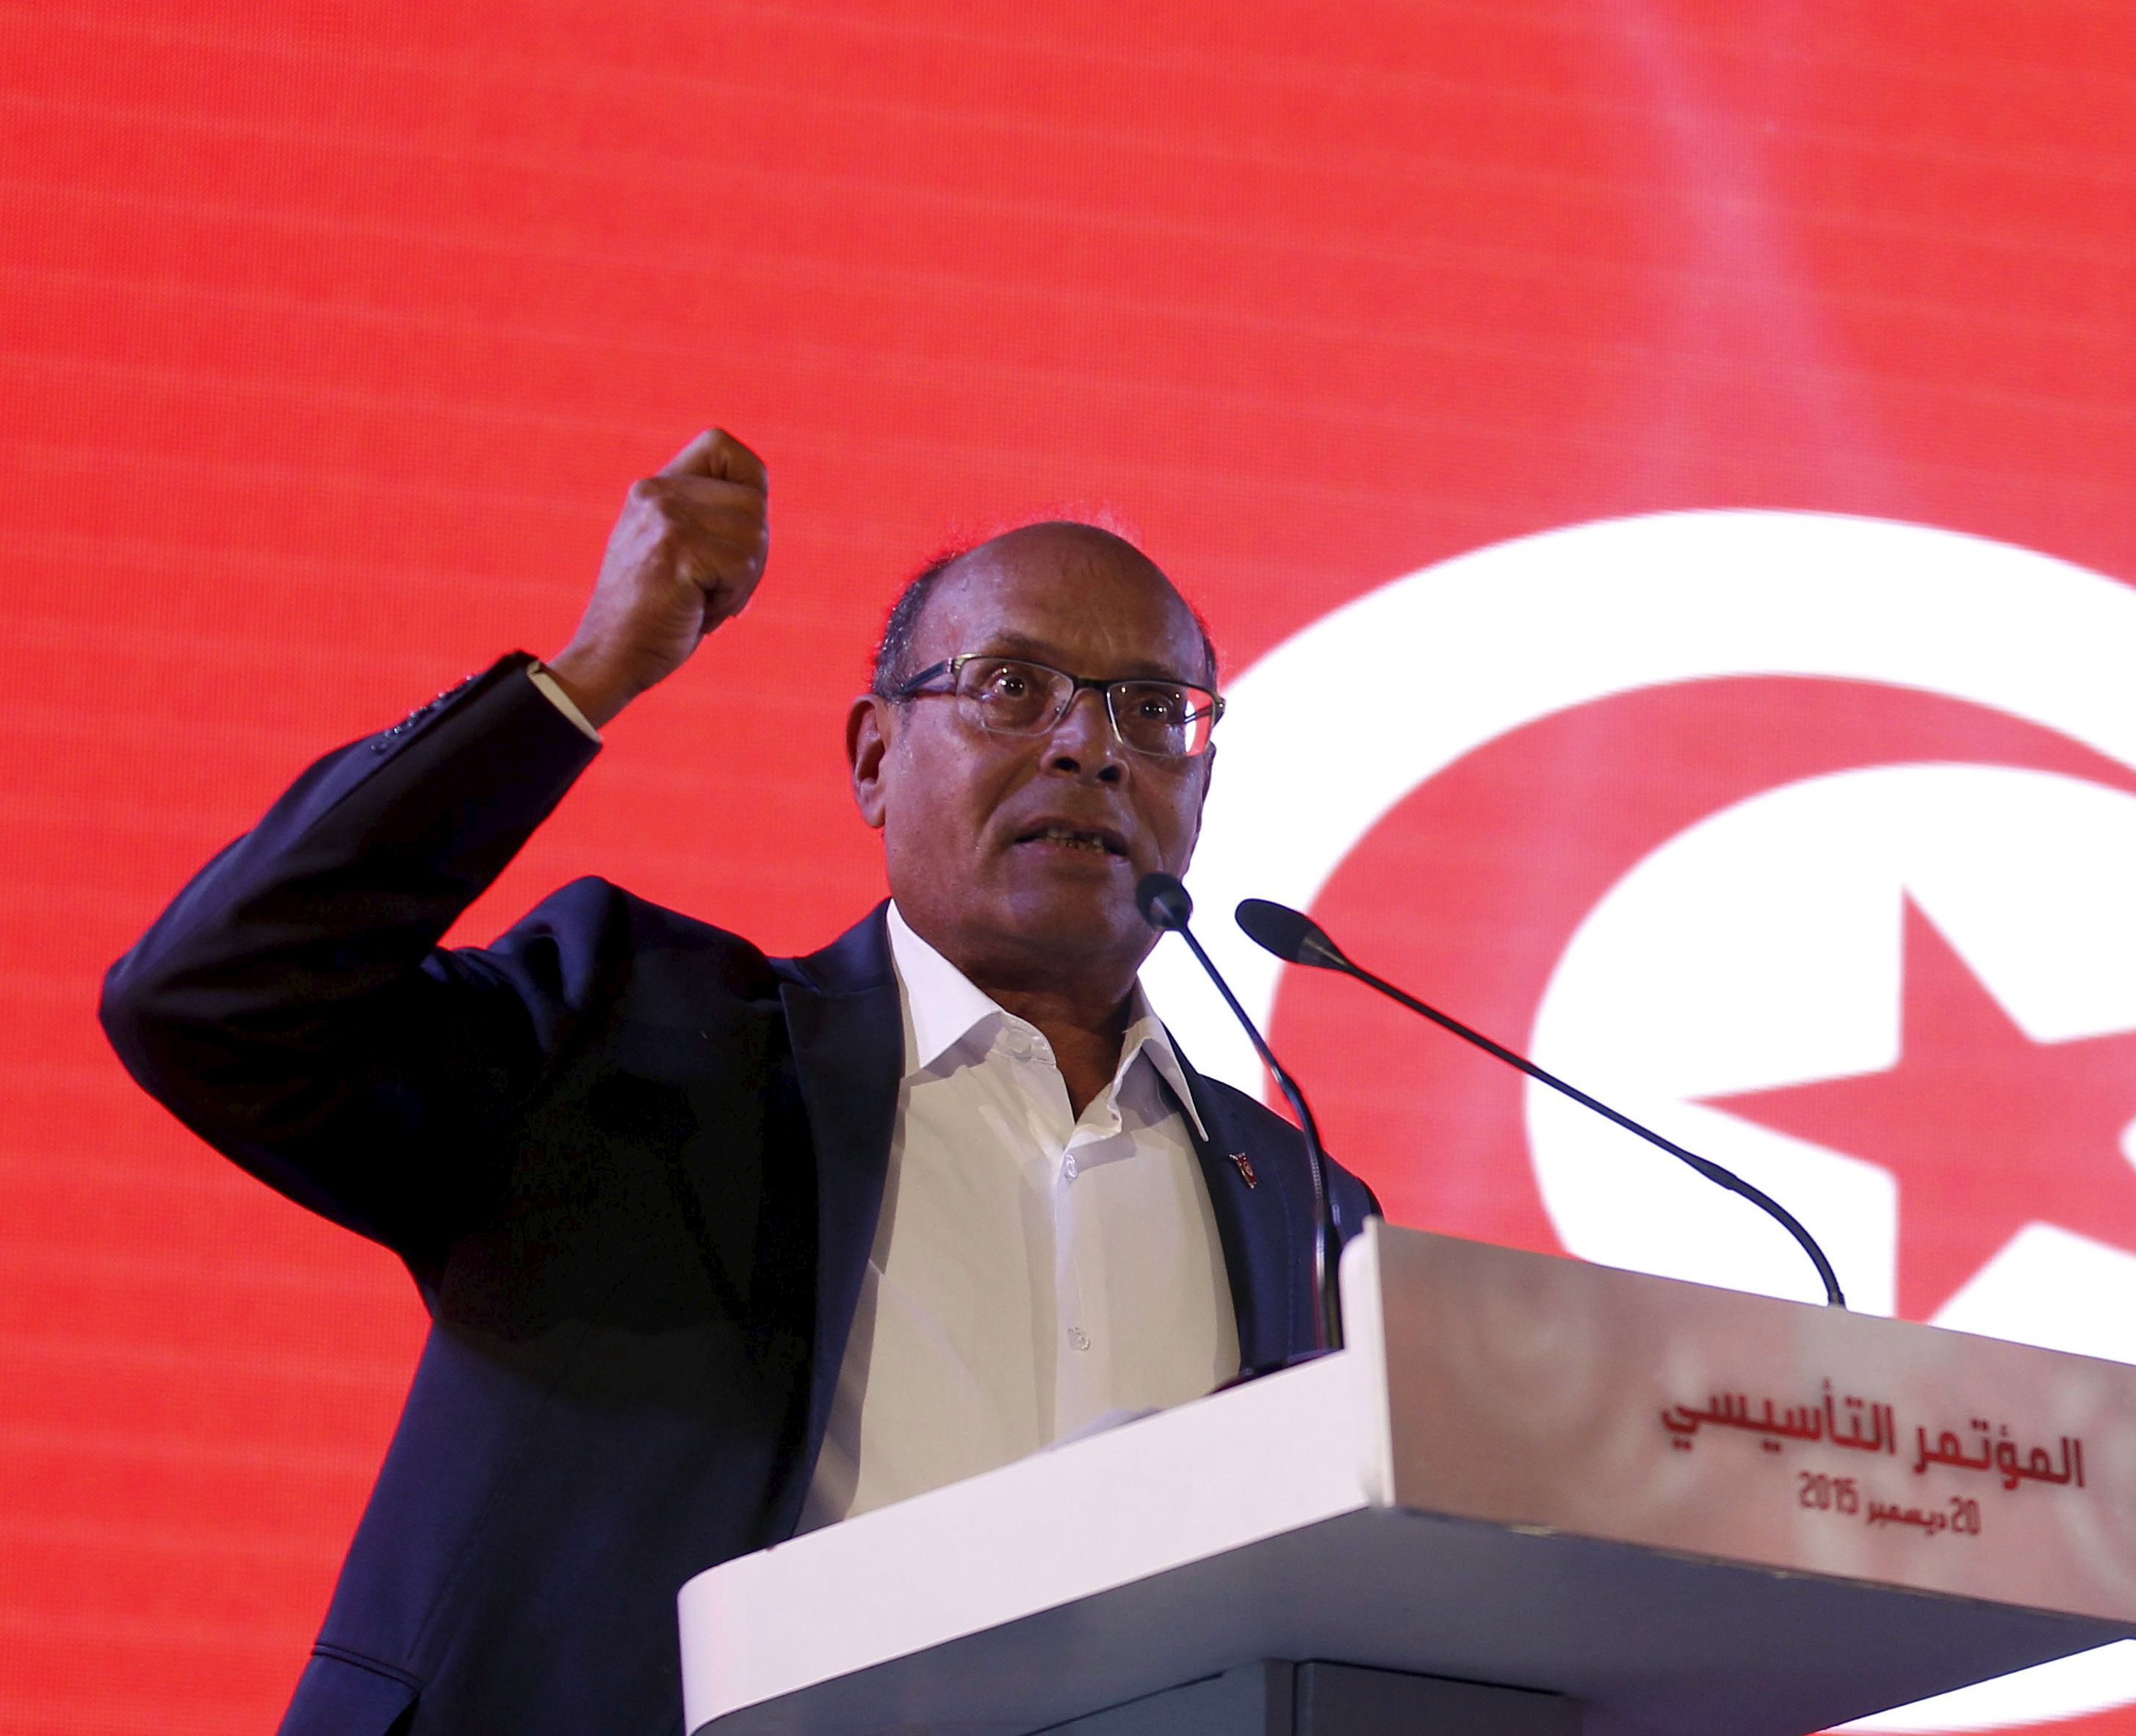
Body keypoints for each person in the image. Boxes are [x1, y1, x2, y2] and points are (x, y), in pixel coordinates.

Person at [98, 430, 1377, 1736]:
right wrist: (589, 675)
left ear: (1201, 785)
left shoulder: (1302, 1206)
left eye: (1153, 712)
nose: (1088, 748)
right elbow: (214, 1000)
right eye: (1011, 685)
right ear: (873, 759)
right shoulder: (629, 1035)